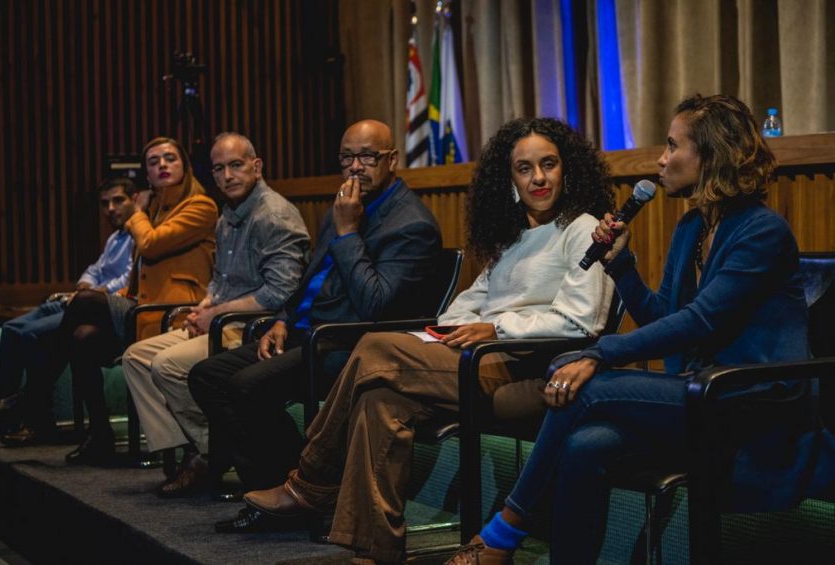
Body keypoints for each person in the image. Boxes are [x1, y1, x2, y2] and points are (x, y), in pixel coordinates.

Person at [227, 117, 617, 564]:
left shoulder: (582, 228)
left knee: (374, 347)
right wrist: (457, 330)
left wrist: (497, 328)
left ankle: (311, 480)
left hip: (528, 367)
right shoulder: (515, 237)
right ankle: (375, 552)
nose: (538, 178)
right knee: (379, 400)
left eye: (548, 164)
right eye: (524, 169)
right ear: (510, 180)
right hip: (478, 358)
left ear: (568, 169)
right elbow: (467, 304)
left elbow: (582, 321)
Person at [446, 95, 810, 565]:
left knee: (587, 385)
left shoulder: (762, 231)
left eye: (673, 145)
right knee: (584, 444)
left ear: (710, 155)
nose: (661, 159)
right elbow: (663, 317)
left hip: (749, 403)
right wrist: (620, 264)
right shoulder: (693, 227)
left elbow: (700, 320)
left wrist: (599, 353)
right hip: (698, 392)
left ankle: (502, 533)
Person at [188, 119, 442, 495]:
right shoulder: (344, 207)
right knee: (206, 376)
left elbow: (375, 305)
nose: (355, 167)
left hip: (343, 342)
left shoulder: (410, 225)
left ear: (392, 160)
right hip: (303, 332)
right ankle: (287, 481)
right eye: (347, 158)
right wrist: (282, 319)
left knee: (244, 387)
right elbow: (308, 281)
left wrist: (347, 232)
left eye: (367, 157)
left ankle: (297, 489)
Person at [121, 132, 310, 497]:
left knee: (167, 364)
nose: (227, 176)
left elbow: (281, 293)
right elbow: (220, 280)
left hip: (257, 327)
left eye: (236, 165)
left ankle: (212, 453)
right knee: (136, 357)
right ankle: (200, 449)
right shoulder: (227, 214)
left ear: (257, 167)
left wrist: (216, 312)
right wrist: (205, 306)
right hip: (225, 319)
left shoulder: (274, 215)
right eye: (219, 168)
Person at [60, 136, 218, 465]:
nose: (162, 165)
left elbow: (151, 245)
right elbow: (138, 276)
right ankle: (100, 433)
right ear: (147, 174)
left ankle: (36, 390)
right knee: (82, 337)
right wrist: (117, 295)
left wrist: (136, 213)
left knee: (83, 302)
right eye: (153, 162)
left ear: (185, 166)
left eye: (170, 158)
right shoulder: (153, 210)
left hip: (174, 312)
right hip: (142, 309)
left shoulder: (200, 206)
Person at [0, 178, 136, 442]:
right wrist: (86, 284)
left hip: (100, 307)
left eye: (118, 201)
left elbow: (128, 279)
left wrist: (94, 291)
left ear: (134, 200)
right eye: (105, 203)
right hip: (82, 298)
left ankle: (30, 413)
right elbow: (94, 269)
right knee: (11, 328)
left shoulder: (140, 233)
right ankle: (7, 406)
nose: (110, 209)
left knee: (31, 335)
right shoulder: (115, 237)